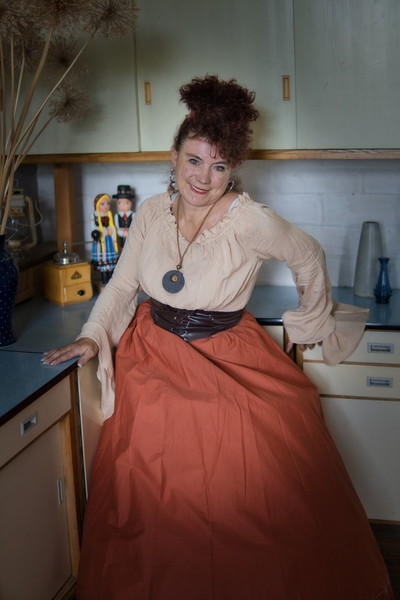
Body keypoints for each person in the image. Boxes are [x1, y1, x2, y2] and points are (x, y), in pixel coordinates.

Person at [43, 75, 393, 599]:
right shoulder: (150, 212)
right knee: (150, 481)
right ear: (174, 157)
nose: (204, 178)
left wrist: (309, 321)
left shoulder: (249, 220)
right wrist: (94, 337)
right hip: (152, 348)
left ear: (233, 169)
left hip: (227, 350)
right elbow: (123, 285)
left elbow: (308, 255)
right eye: (194, 160)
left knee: (250, 478)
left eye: (219, 166)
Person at [90, 193, 119, 284]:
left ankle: (111, 279)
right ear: (97, 205)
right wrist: (102, 231)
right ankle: (104, 279)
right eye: (102, 204)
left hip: (109, 241)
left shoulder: (109, 214)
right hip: (101, 241)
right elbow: (93, 228)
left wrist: (111, 229)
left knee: (110, 261)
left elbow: (112, 226)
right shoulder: (94, 215)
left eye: (108, 203)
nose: (106, 206)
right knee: (103, 259)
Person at [112, 184, 135, 250]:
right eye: (120, 203)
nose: (123, 206)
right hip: (121, 236)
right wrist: (122, 233)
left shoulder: (133, 215)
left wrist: (130, 232)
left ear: (131, 202)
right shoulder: (117, 216)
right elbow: (116, 227)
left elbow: (136, 226)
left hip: (131, 235)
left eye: (127, 203)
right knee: (122, 246)